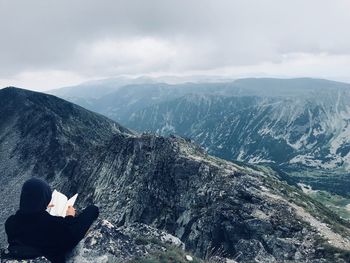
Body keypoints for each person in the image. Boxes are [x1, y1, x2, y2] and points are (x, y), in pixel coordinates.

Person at [4, 177, 99, 263]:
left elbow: (31, 222)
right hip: (48, 257)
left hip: (19, 255)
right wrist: (70, 216)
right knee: (92, 210)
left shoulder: (10, 223)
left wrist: (41, 207)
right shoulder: (52, 225)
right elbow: (72, 235)